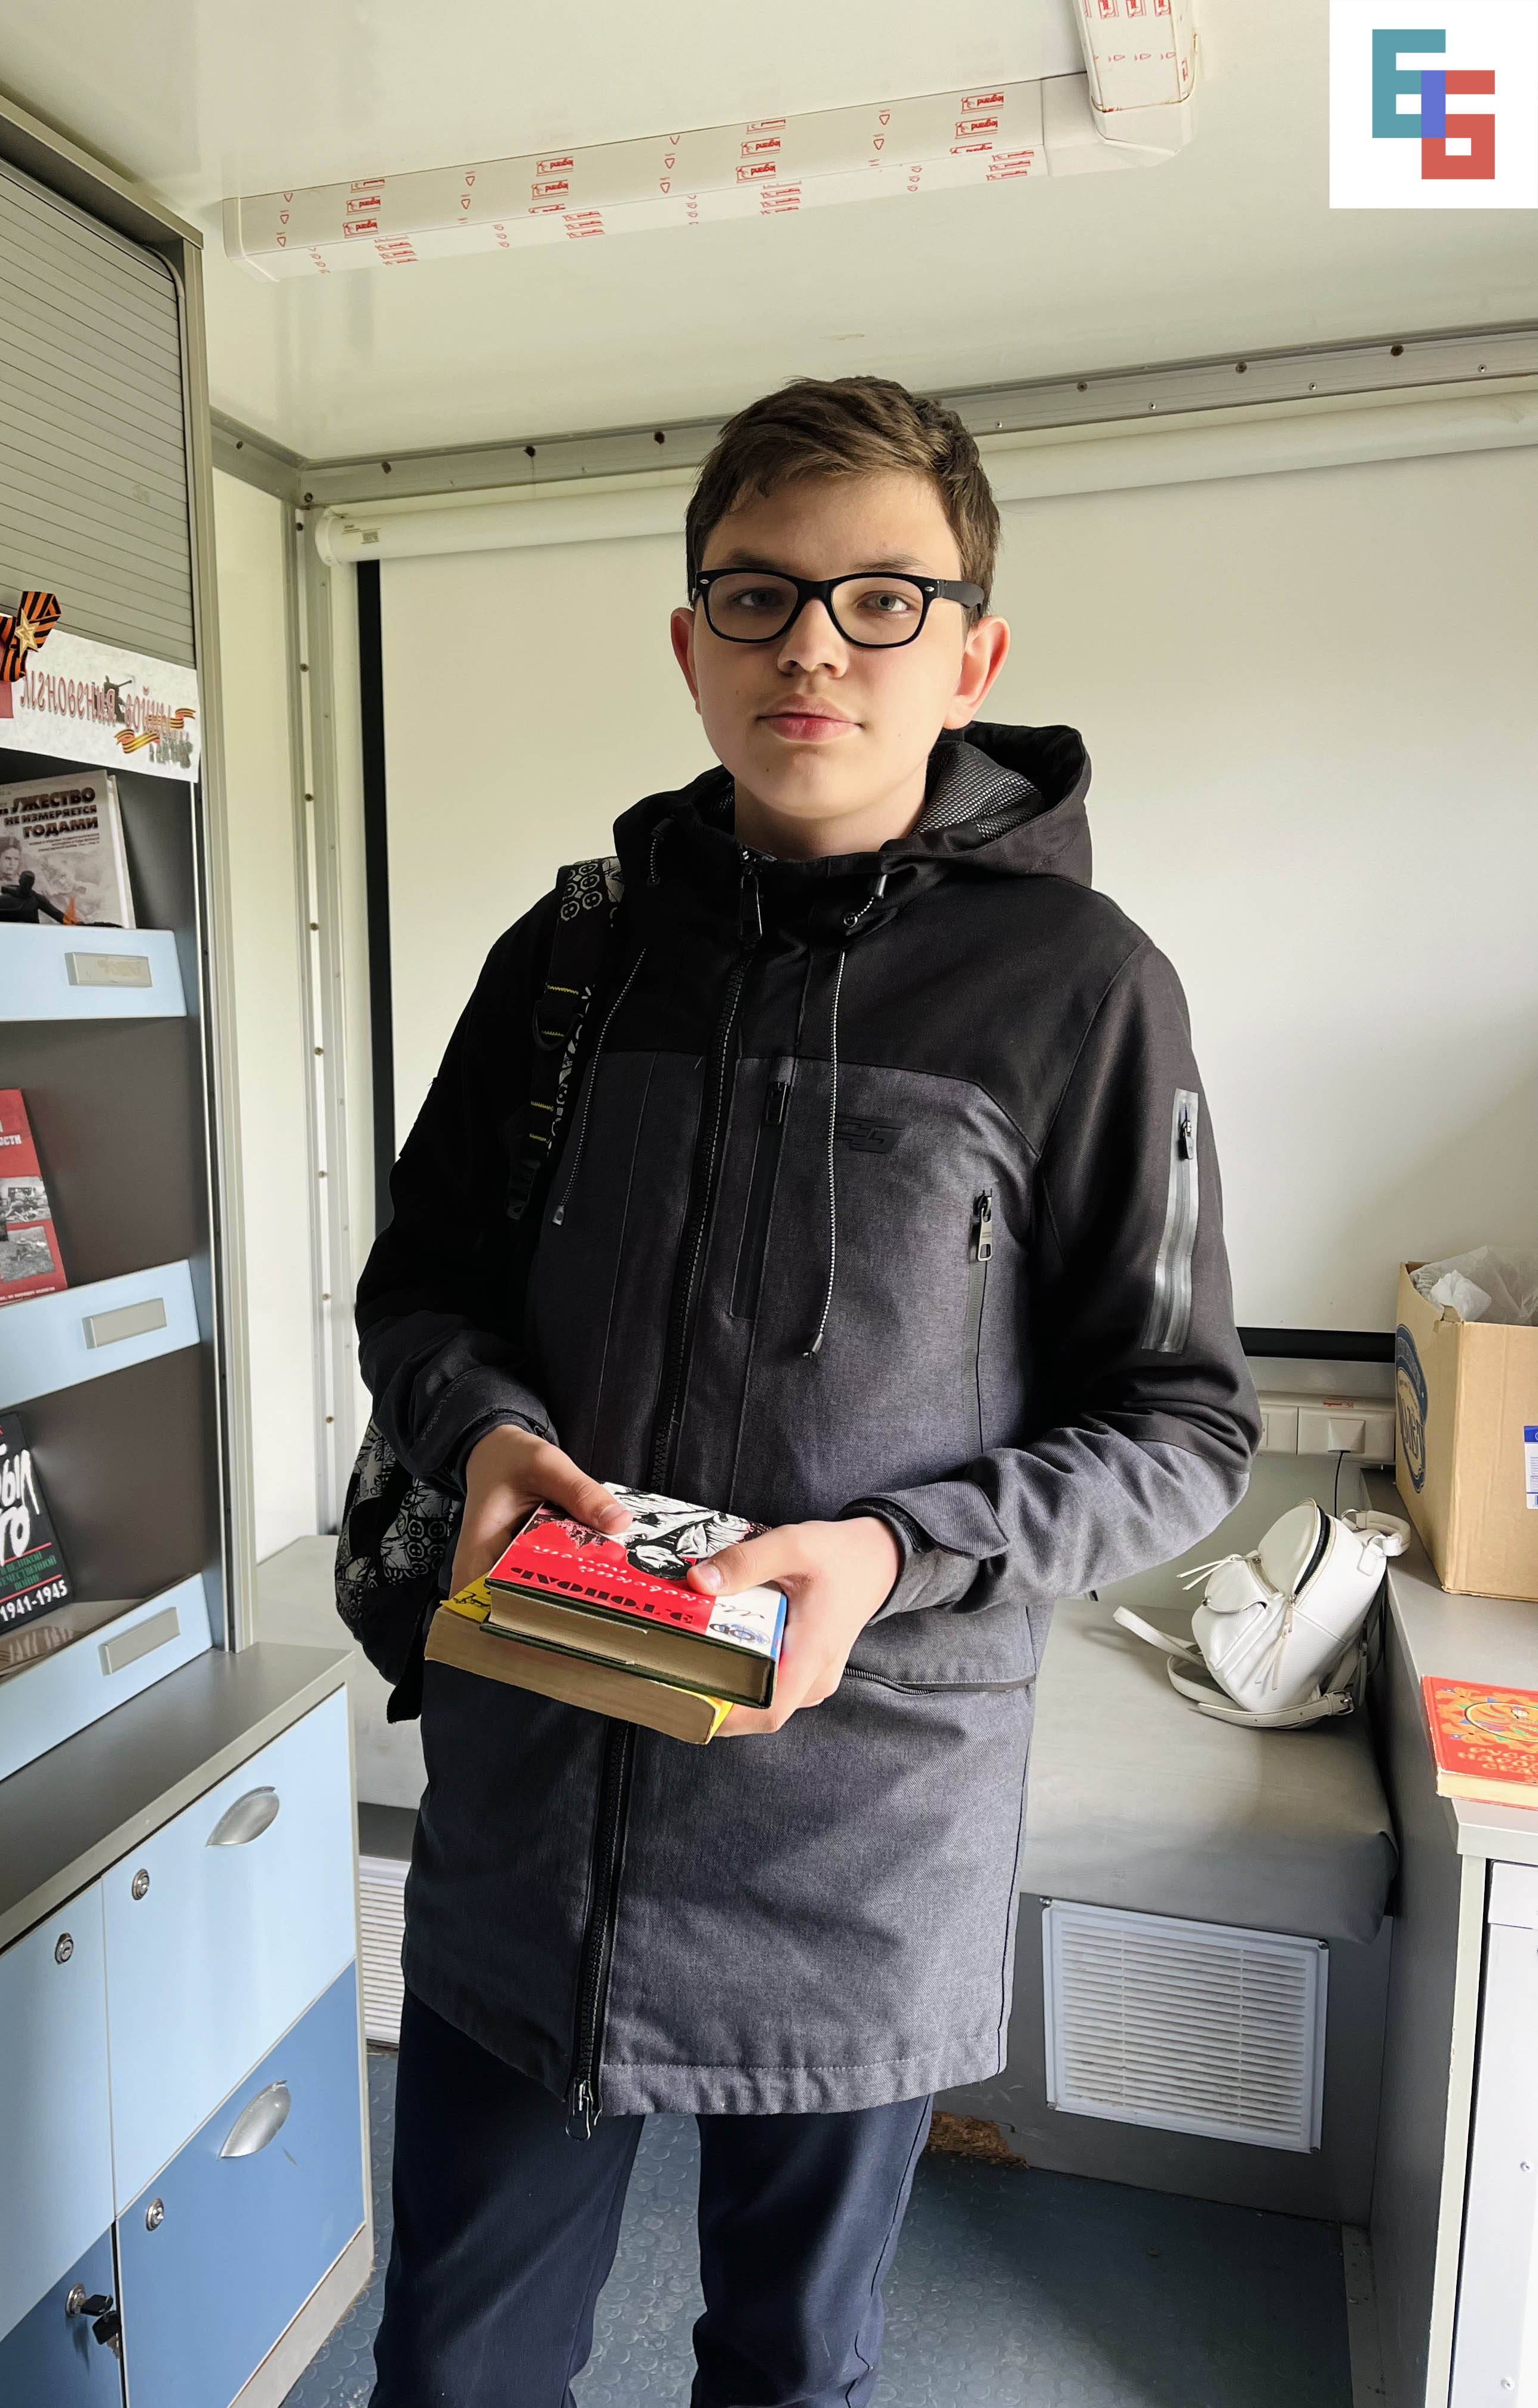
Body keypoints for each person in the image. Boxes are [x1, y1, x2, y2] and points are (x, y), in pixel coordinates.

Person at [354, 374, 1259, 2407]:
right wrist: (481, 1430)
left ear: (973, 657)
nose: (815, 651)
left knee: (788, 2372)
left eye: (882, 600)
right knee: (452, 2370)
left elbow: (1183, 1423)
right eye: (759, 598)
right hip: (534, 1802)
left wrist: (893, 1550)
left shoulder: (1083, 989)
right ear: (692, 645)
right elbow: (422, 1288)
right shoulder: (565, 961)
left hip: (857, 1831)